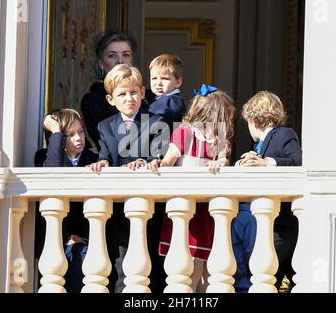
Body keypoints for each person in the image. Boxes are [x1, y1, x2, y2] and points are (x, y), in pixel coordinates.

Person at [147, 84, 236, 292]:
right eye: (224, 117)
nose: (226, 123)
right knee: (191, 267)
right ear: (212, 115)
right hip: (187, 208)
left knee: (211, 270)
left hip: (207, 210)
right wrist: (157, 163)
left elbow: (224, 159)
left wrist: (220, 163)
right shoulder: (184, 133)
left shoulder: (219, 138)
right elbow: (169, 160)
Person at [89, 64, 169, 293]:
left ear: (143, 92)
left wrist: (144, 162)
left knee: (149, 261)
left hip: (149, 206)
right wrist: (102, 162)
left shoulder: (156, 121)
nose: (129, 98)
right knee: (120, 262)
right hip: (118, 207)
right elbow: (105, 155)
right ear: (111, 99)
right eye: (122, 94)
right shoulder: (105, 126)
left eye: (133, 92)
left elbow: (159, 153)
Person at [231, 90, 302, 293]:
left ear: (254, 118)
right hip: (267, 223)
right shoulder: (258, 146)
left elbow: (297, 161)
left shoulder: (284, 134)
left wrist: (267, 162)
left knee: (266, 275)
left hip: (282, 224)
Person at [34, 108, 98, 293]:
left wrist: (82, 238)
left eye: (80, 132)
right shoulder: (42, 157)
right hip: (55, 240)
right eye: (70, 134)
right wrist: (55, 131)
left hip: (85, 240)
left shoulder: (92, 158)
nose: (78, 138)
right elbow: (52, 171)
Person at [80, 30, 155, 150]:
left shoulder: (150, 96)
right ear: (101, 64)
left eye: (126, 54)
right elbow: (107, 143)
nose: (120, 61)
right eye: (112, 55)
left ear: (132, 60)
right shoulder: (93, 99)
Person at [148, 54, 186, 131]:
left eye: (164, 78)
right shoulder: (160, 99)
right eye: (154, 78)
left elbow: (151, 122)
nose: (158, 83)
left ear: (178, 82)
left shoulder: (170, 101)